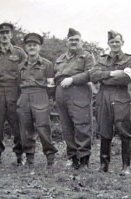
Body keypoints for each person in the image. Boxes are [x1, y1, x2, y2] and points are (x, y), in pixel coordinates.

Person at [90, 30, 131, 175]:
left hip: (121, 95)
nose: (115, 44)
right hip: (103, 96)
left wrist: (104, 78)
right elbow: (93, 75)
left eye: (117, 42)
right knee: (104, 130)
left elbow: (126, 79)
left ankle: (126, 166)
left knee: (124, 131)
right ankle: (104, 165)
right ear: (108, 44)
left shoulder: (129, 59)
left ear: (122, 43)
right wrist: (111, 74)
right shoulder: (102, 59)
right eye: (112, 42)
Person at [54, 28, 95, 169]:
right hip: (61, 93)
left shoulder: (87, 56)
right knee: (66, 127)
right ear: (66, 42)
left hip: (79, 92)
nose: (74, 42)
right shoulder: (60, 59)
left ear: (81, 42)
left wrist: (72, 79)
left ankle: (83, 159)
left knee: (82, 125)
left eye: (77, 40)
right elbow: (55, 76)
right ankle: (72, 158)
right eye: (71, 40)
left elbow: (91, 73)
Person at [0, 23, 27, 166]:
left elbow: (26, 71)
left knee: (16, 125)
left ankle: (19, 156)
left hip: (14, 91)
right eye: (1, 33)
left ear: (11, 35)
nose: (4, 35)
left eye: (7, 32)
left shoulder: (19, 53)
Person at [17, 33, 58, 168]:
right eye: (29, 45)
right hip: (24, 96)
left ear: (39, 47)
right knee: (26, 129)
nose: (32, 47)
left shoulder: (47, 64)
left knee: (43, 128)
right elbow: (18, 84)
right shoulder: (21, 66)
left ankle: (50, 159)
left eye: (35, 45)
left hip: (41, 95)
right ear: (25, 48)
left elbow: (51, 85)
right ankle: (30, 160)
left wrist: (48, 99)